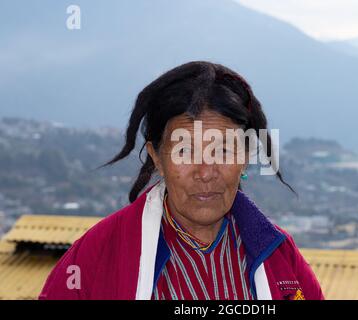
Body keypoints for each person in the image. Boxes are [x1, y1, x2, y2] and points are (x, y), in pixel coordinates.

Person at [39, 61, 324, 300]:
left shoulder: (279, 255)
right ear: (157, 158)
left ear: (246, 155)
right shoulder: (95, 258)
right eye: (185, 150)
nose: (206, 171)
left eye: (223, 150)